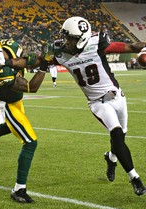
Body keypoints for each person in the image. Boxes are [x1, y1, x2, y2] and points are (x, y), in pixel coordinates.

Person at [44, 16, 146, 196]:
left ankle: (111, 158)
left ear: (82, 38)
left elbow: (131, 47)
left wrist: (142, 47)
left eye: (71, 38)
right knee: (116, 134)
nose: (66, 41)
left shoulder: (97, 44)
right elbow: (36, 61)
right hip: (98, 103)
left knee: (120, 137)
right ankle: (135, 178)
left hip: (118, 96)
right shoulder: (61, 54)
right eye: (66, 37)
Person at [0, 32, 50, 203]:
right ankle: (19, 189)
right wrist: (44, 65)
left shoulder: (9, 46)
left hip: (15, 101)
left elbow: (28, 59)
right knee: (30, 142)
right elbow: (31, 86)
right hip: (6, 104)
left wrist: (43, 59)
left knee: (9, 127)